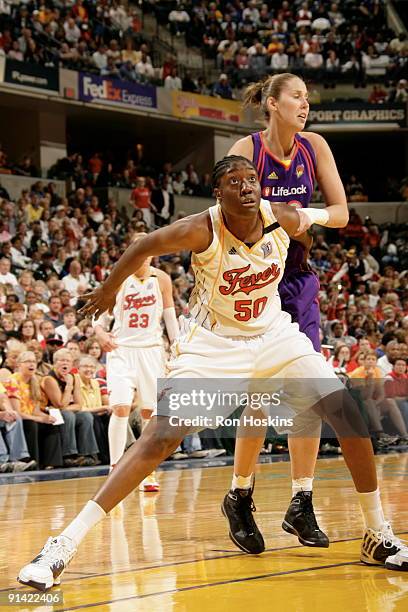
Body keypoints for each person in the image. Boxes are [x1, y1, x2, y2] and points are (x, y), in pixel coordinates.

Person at [18, 158, 407, 590]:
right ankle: (63, 544)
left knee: (345, 410)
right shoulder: (200, 229)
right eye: (233, 182)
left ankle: (377, 535)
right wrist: (109, 290)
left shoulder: (285, 218)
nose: (245, 187)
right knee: (161, 436)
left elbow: (326, 222)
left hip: (273, 334)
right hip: (213, 344)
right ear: (218, 194)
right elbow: (143, 244)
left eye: (251, 179)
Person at [227, 72, 349, 547]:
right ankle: (240, 494)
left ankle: (302, 500)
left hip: (296, 281)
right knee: (258, 396)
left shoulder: (314, 146)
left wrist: (301, 217)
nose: (306, 104)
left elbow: (340, 214)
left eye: (307, 97)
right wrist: (272, 219)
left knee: (309, 392)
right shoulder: (245, 149)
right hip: (254, 282)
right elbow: (230, 218)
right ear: (273, 104)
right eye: (297, 96)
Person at [93, 233, 179, 491]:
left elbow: (170, 317)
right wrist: (99, 332)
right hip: (121, 349)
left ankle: (146, 471)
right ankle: (115, 468)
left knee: (150, 413)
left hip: (152, 350)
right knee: (120, 408)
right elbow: (98, 313)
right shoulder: (118, 277)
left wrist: (176, 347)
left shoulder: (162, 279)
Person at [5, 352, 63, 469]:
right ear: (19, 365)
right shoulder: (12, 381)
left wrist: (46, 418)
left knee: (52, 423)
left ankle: (51, 463)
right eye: (28, 361)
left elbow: (35, 411)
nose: (31, 364)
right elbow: (16, 412)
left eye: (34, 362)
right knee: (32, 424)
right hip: (17, 419)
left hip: (31, 417)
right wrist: (39, 419)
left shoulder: (35, 382)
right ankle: (31, 461)